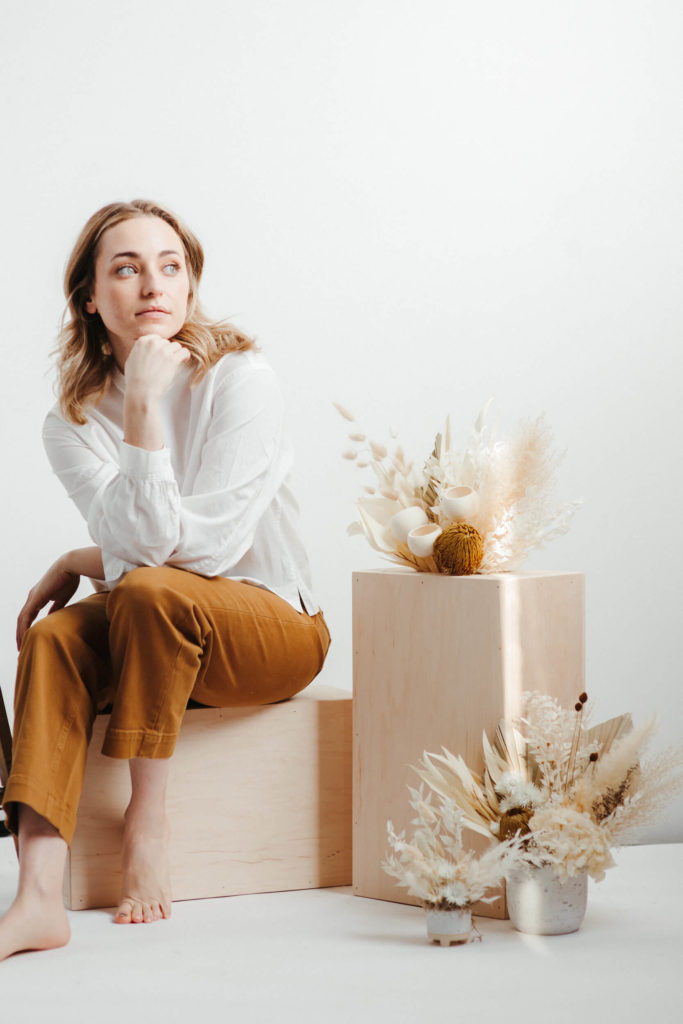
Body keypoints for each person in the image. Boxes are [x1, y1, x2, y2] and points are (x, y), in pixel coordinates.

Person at [0, 200, 330, 960]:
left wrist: (92, 557)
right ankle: (38, 897)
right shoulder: (73, 423)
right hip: (162, 627)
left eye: (169, 266)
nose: (153, 284)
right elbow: (142, 548)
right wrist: (138, 404)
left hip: (273, 627)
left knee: (147, 590)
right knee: (53, 638)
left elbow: (207, 553)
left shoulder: (241, 377)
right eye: (126, 268)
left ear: (189, 283)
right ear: (89, 296)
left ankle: (147, 817)